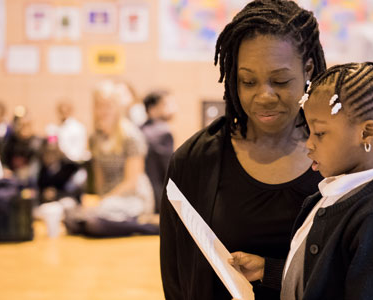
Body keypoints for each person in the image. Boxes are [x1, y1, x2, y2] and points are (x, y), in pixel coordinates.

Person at [160, 1, 327, 299]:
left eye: (280, 80)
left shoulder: (338, 158)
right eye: (248, 81)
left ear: (308, 70)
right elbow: (176, 278)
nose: (264, 96)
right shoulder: (195, 161)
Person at [233, 62, 373, 299]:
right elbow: (325, 280)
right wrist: (268, 270)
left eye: (319, 133)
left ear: (367, 133)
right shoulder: (330, 195)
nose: (309, 143)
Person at [63, 80, 157, 237]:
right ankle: (101, 222)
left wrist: (103, 202)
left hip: (133, 198)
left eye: (107, 105)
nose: (103, 111)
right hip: (108, 201)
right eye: (98, 106)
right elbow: (99, 178)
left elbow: (132, 182)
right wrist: (97, 200)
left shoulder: (131, 136)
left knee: (96, 219)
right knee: (70, 215)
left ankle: (144, 227)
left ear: (116, 107)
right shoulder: (95, 138)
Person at [140, 90, 175, 212]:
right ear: (152, 109)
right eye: (166, 104)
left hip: (141, 194)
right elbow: (169, 170)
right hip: (157, 197)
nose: (173, 108)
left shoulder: (139, 129)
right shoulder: (163, 132)